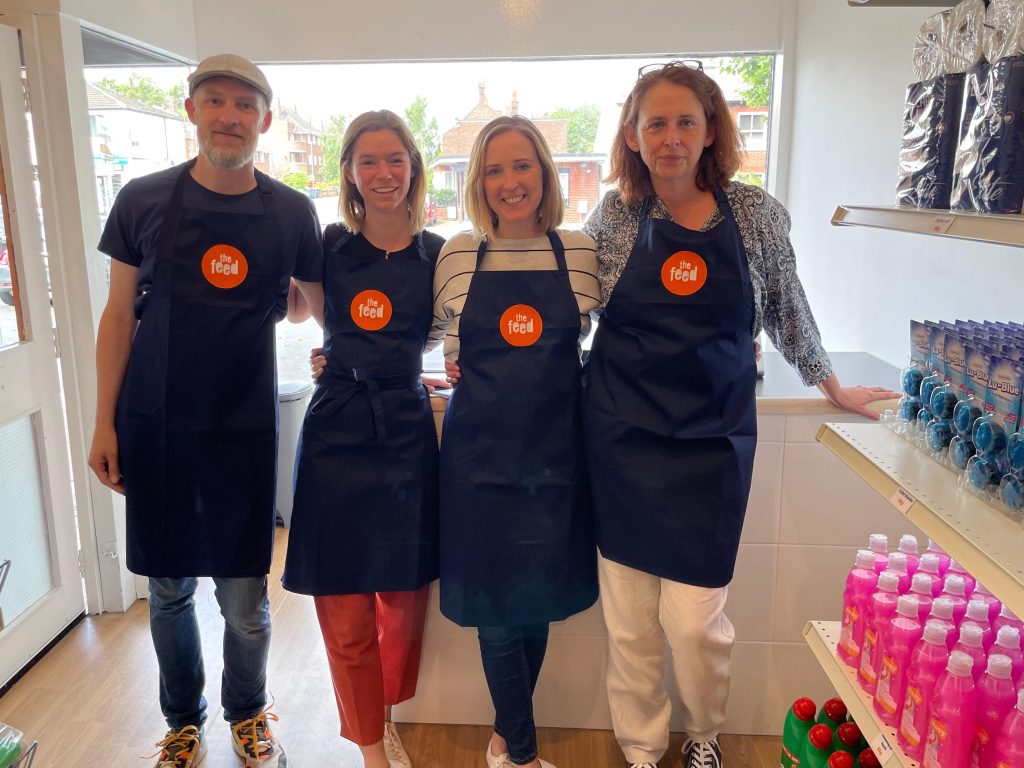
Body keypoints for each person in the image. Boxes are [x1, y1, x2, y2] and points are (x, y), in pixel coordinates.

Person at [580, 60, 899, 768]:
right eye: (655, 123)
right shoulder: (612, 219)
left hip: (713, 443)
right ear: (632, 136)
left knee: (695, 623)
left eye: (685, 121)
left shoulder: (752, 214)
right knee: (630, 623)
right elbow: (571, 316)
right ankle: (639, 747)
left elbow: (787, 309)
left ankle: (703, 736)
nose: (670, 137)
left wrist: (831, 382)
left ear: (710, 129)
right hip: (620, 439)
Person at [87, 54, 323, 768]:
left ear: (265, 121)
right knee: (167, 591)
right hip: (154, 424)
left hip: (243, 429)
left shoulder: (290, 210)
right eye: (215, 101)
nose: (229, 115)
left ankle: (247, 714)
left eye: (245, 106)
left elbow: (313, 303)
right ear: (191, 111)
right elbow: (118, 313)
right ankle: (182, 723)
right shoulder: (142, 199)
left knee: (246, 602)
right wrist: (103, 422)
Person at [432, 115, 599, 768]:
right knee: (499, 614)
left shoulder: (580, 253)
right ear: (478, 182)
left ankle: (504, 740)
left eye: (522, 166)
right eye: (494, 170)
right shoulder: (456, 254)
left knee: (537, 609)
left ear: (544, 173)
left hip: (557, 461)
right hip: (480, 466)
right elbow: (433, 340)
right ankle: (523, 755)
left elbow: (628, 336)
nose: (510, 182)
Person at [282, 110, 444, 768]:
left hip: (405, 427)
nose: (383, 173)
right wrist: (343, 362)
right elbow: (328, 323)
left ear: (412, 166)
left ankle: (379, 709)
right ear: (348, 171)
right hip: (337, 429)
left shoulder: (440, 253)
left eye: (395, 159)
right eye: (368, 161)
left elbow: (432, 333)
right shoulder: (328, 245)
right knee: (344, 604)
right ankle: (371, 747)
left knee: (403, 602)